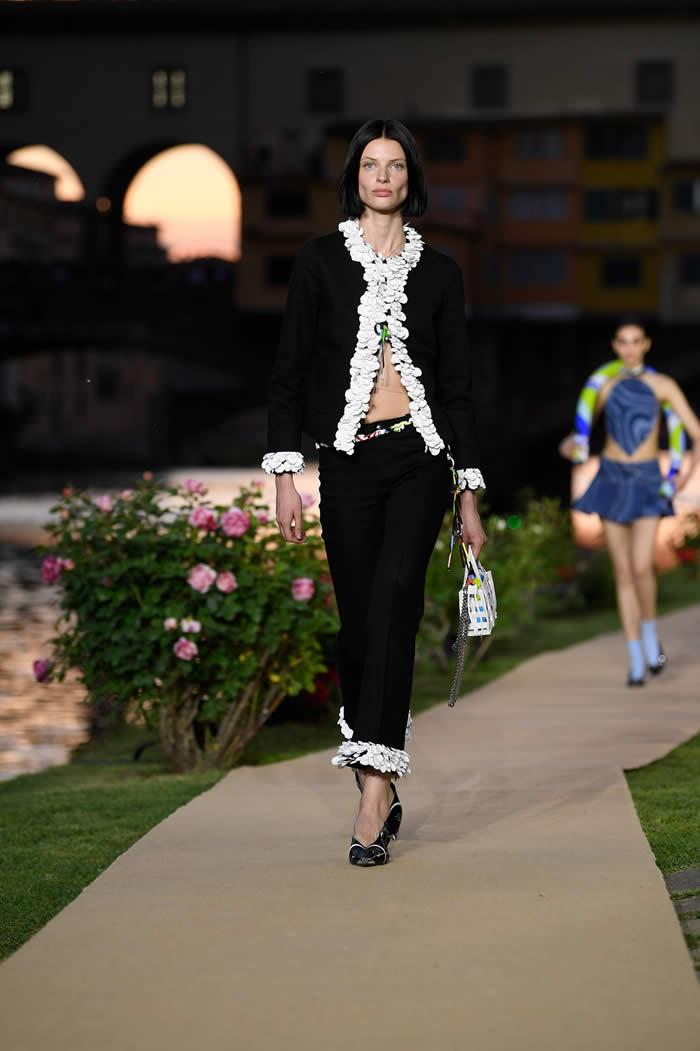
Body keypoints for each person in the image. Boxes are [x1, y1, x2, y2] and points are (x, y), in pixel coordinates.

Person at [262, 118, 487, 866]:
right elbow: (289, 370)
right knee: (359, 620)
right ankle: (372, 766)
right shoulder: (319, 261)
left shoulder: (442, 272)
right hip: (346, 464)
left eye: (394, 165)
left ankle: (376, 785)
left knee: (395, 597)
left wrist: (467, 494)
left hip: (420, 459)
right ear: (354, 177)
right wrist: (286, 478)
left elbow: (457, 389)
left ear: (410, 178)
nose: (382, 176)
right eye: (370, 164)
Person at [560, 318, 700, 685]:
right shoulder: (603, 386)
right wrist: (571, 446)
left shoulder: (663, 384)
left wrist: (682, 477)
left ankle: (650, 638)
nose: (630, 348)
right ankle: (636, 657)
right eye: (623, 341)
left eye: (636, 341)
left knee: (641, 566)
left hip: (647, 479)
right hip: (611, 477)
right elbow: (580, 433)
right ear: (615, 346)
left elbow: (695, 432)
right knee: (622, 570)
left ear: (647, 344)